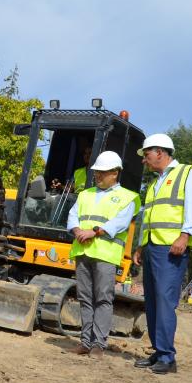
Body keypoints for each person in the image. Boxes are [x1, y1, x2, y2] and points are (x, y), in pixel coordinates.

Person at [131, 133, 192, 375]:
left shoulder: (187, 173)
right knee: (151, 300)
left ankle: (167, 357)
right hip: (152, 247)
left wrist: (185, 235)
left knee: (164, 300)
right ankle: (159, 351)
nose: (144, 160)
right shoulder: (153, 184)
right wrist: (140, 246)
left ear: (160, 152)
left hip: (171, 248)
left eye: (146, 154)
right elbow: (147, 218)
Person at [66, 151, 140, 358]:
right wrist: (77, 230)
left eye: (103, 172)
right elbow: (72, 216)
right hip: (82, 251)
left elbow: (119, 223)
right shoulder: (85, 194)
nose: (98, 176)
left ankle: (99, 344)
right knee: (85, 298)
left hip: (106, 255)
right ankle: (85, 342)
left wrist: (93, 232)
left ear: (115, 173)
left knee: (103, 299)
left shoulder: (127, 197)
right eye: (97, 172)